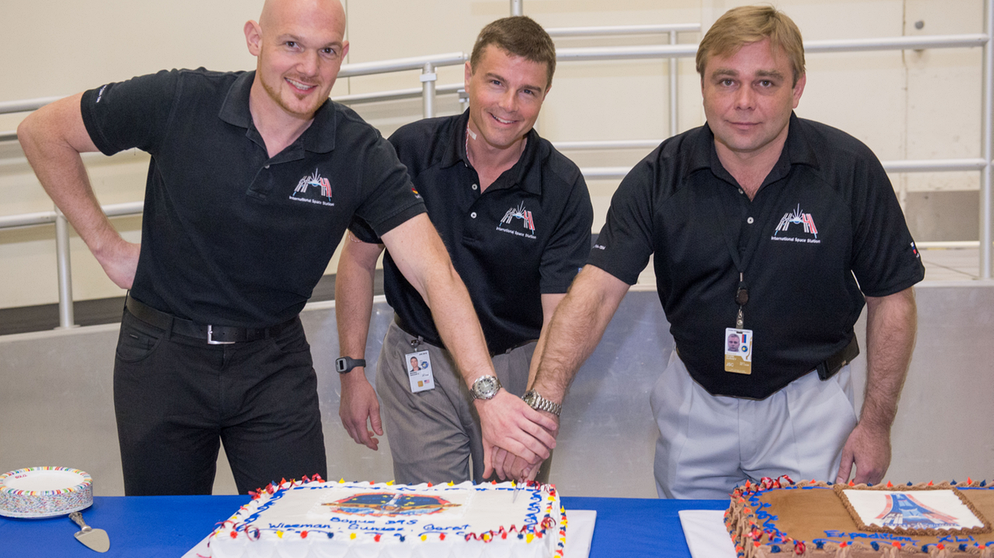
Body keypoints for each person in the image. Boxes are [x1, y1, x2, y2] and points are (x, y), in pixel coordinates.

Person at [17, 0, 555, 496]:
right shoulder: (180, 99)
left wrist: (487, 394)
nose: (308, 68)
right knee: (166, 532)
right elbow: (43, 131)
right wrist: (106, 246)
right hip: (162, 360)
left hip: (273, 368)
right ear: (255, 39)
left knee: (296, 528)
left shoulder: (359, 151)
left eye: (326, 51)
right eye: (291, 45)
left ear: (343, 55)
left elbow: (438, 275)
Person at [498, 5, 925, 498]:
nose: (743, 101)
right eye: (726, 81)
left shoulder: (849, 172)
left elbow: (892, 299)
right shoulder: (658, 177)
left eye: (765, 82)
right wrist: (542, 406)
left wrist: (875, 424)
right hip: (696, 406)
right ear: (702, 84)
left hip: (809, 410)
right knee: (687, 543)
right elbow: (594, 293)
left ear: (798, 87)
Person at [335, 16, 593, 485]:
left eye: (528, 91)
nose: (509, 105)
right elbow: (356, 258)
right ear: (469, 74)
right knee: (435, 523)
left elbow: (560, 318)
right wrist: (351, 369)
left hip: (520, 370)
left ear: (545, 96)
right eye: (496, 82)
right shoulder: (409, 152)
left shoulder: (562, 186)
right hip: (422, 364)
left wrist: (537, 414)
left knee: (508, 521)